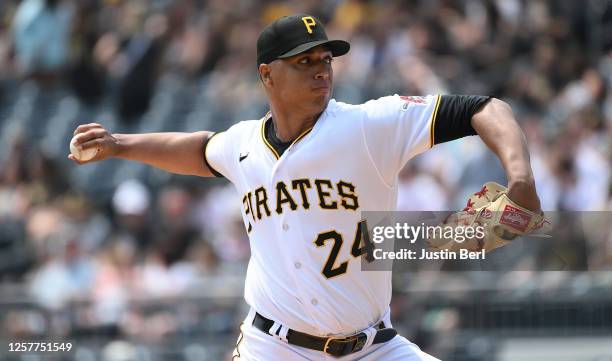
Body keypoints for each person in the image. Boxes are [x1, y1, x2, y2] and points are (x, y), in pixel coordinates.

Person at [70, 14, 542, 361]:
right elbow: (197, 149)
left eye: (325, 58)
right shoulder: (242, 145)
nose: (322, 69)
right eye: (304, 61)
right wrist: (120, 144)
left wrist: (519, 176)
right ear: (266, 74)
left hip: (373, 348)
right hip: (272, 347)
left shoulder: (367, 124)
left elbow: (485, 108)